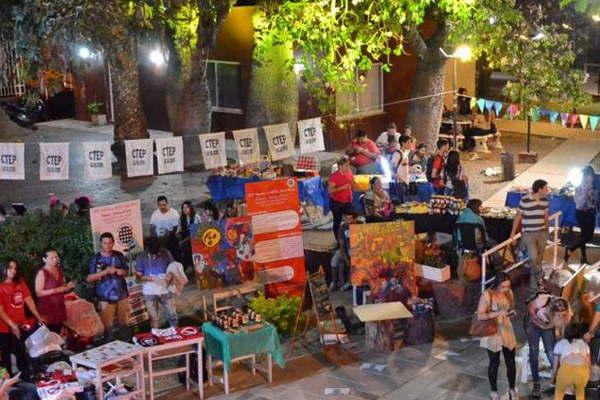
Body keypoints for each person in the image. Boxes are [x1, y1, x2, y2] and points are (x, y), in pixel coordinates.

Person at [0, 260, 45, 381]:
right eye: (10, 268)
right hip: (3, 328)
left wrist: (38, 315)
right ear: (3, 268)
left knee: (21, 352)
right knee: (5, 356)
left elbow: (28, 299)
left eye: (15, 268)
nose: (13, 271)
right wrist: (12, 325)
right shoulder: (1, 286)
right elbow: (0, 310)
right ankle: (8, 383)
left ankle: (25, 378)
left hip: (20, 324)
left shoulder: (19, 282)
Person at [476, 272, 517, 400]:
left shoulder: (509, 293)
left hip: (506, 329)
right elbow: (480, 315)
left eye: (508, 286)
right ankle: (493, 391)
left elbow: (508, 309)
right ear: (497, 284)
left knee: (511, 361)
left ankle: (512, 388)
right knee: (494, 362)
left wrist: (510, 313)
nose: (506, 289)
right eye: (503, 286)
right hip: (492, 330)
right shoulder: (487, 295)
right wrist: (498, 313)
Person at [87, 232, 130, 337]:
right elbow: (89, 278)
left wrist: (119, 271)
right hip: (105, 296)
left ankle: (127, 342)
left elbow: (126, 271)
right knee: (107, 325)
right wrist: (104, 272)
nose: (107, 245)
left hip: (121, 294)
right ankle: (109, 344)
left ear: (113, 243)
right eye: (105, 243)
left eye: (109, 243)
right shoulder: (95, 258)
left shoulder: (119, 255)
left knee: (124, 322)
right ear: (101, 244)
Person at [510, 179, 549, 291]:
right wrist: (512, 233)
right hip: (528, 233)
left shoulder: (545, 200)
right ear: (540, 189)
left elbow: (546, 215)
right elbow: (518, 217)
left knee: (539, 258)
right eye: (546, 188)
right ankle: (539, 276)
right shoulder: (525, 200)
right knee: (533, 257)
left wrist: (547, 230)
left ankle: (534, 282)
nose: (547, 190)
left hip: (542, 233)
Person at [135, 237, 178, 329]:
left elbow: (173, 268)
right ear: (146, 248)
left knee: (172, 314)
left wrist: (170, 275)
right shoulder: (141, 256)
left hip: (165, 289)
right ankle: (155, 335)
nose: (155, 253)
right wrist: (146, 278)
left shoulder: (165, 253)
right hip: (150, 290)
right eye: (152, 250)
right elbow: (138, 277)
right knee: (153, 317)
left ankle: (175, 332)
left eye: (157, 250)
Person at [525, 289, 558, 398]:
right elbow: (533, 315)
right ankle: (536, 384)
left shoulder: (558, 302)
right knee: (534, 352)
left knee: (551, 352)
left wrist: (549, 325)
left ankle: (557, 381)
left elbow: (557, 322)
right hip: (532, 323)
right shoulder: (537, 302)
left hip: (546, 324)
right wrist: (544, 324)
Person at [34, 250, 74, 333]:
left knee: (57, 334)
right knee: (49, 335)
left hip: (59, 307)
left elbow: (62, 287)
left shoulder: (58, 270)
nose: (55, 259)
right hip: (47, 309)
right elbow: (38, 293)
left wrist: (67, 287)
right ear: (44, 259)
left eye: (56, 257)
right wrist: (56, 290)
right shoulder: (42, 272)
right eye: (52, 258)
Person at [565, 166, 597, 265]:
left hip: (592, 212)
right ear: (585, 176)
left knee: (586, 236)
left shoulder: (594, 185)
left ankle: (583, 258)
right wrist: (586, 193)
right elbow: (578, 202)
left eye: (592, 175)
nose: (590, 177)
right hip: (582, 212)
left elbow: (595, 200)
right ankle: (571, 248)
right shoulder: (580, 187)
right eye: (588, 175)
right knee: (586, 237)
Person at [553, 324, 591, 400]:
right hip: (580, 376)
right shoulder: (585, 345)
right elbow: (588, 365)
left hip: (565, 376)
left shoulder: (560, 344)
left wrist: (552, 380)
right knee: (580, 393)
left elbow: (555, 367)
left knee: (559, 392)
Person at [329, 211, 357, 292]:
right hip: (344, 249)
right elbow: (341, 245)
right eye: (346, 218)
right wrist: (345, 258)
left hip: (356, 249)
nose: (347, 220)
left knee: (354, 262)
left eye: (350, 218)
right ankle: (334, 282)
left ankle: (349, 282)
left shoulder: (359, 225)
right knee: (334, 261)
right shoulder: (342, 228)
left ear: (354, 219)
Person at [328, 157, 354, 241]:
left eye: (348, 165)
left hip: (348, 200)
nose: (348, 167)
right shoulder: (334, 176)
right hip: (337, 202)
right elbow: (330, 190)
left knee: (350, 220)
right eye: (346, 166)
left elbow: (352, 182)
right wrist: (342, 188)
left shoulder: (349, 172)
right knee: (337, 222)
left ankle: (350, 239)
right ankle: (338, 241)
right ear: (340, 166)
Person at [179, 201, 201, 268]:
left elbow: (199, 229)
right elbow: (180, 230)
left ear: (190, 208)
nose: (185, 209)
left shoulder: (196, 217)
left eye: (187, 207)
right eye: (183, 208)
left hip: (194, 239)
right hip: (185, 239)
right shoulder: (181, 219)